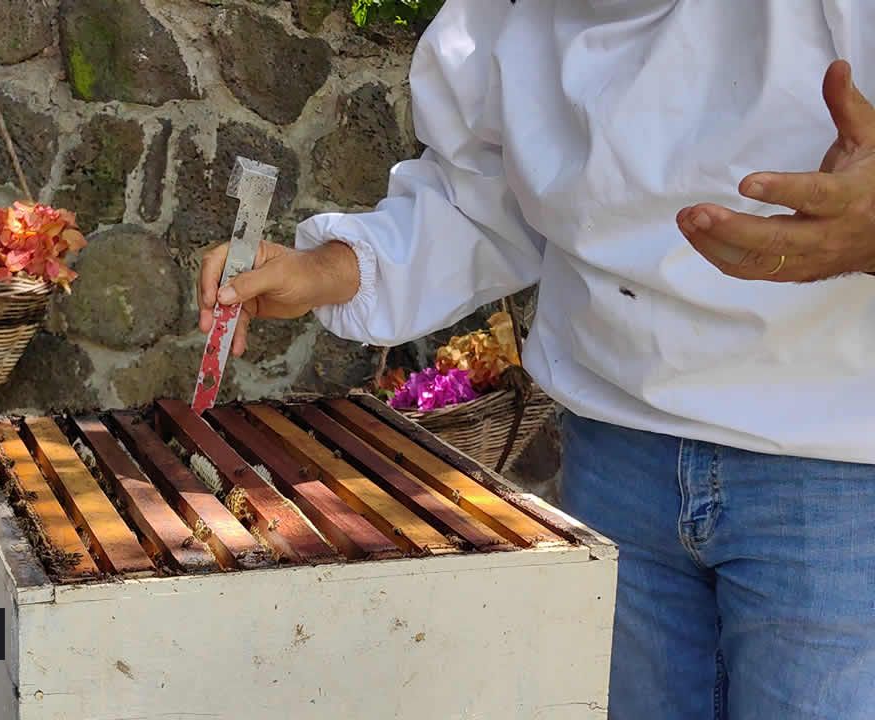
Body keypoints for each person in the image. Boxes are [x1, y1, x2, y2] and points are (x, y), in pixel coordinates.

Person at [197, 2, 875, 718]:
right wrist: (326, 270)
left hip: (828, 472)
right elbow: (479, 198)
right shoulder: (507, 15)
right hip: (616, 455)